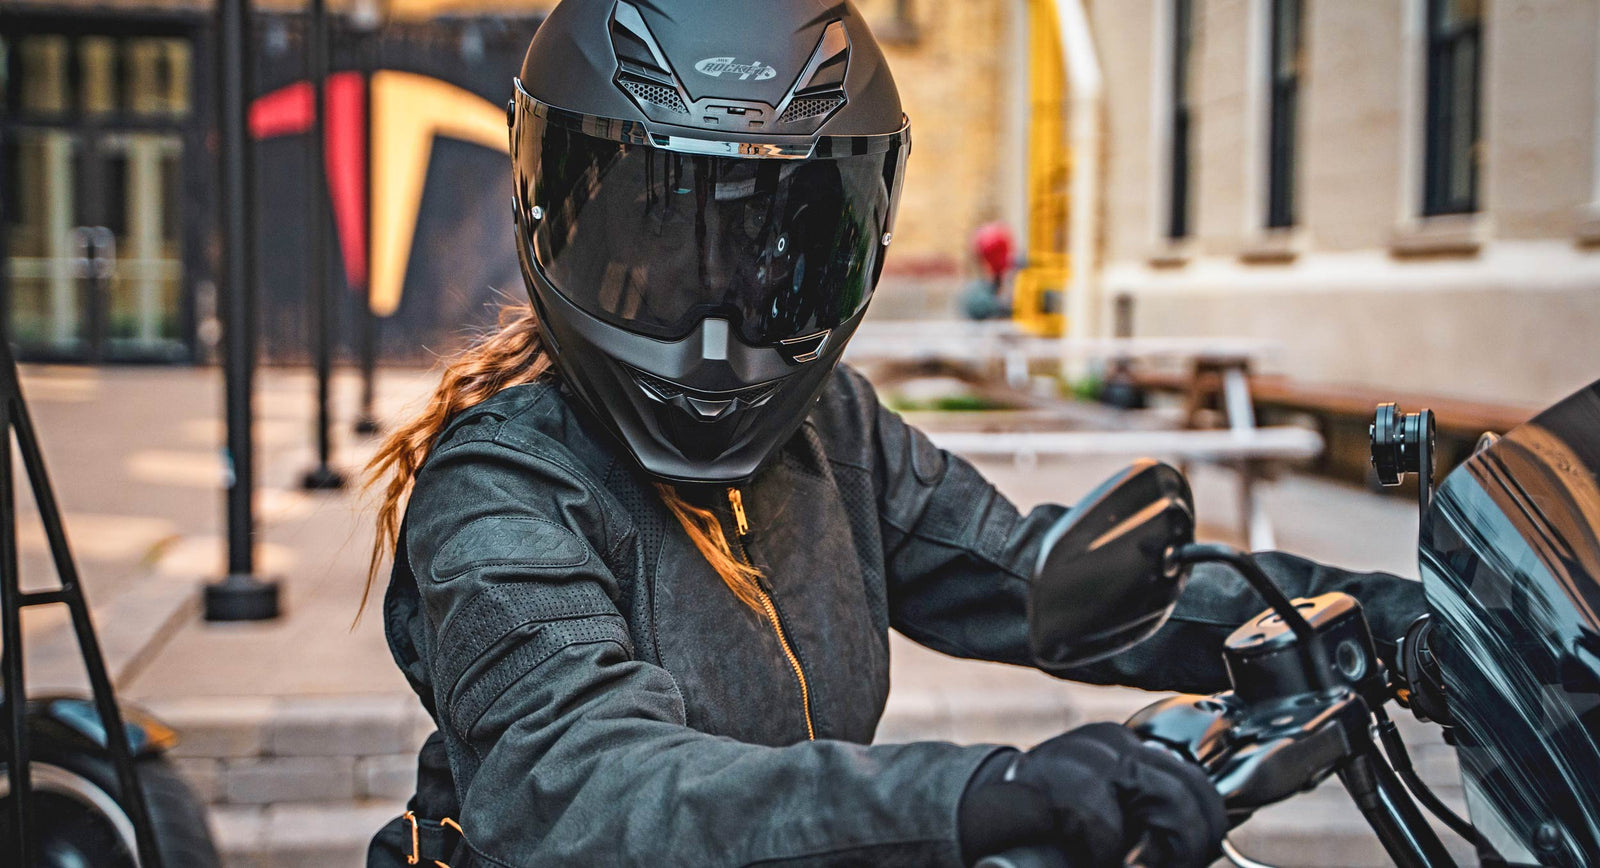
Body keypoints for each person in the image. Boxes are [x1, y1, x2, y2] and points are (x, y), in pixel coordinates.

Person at [363, 1, 1425, 865]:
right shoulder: (500, 487)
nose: (718, 326)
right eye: (670, 247)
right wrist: (976, 796)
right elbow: (583, 782)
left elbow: (1029, 572)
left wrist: (1391, 620)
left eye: (766, 249)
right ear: (555, 212)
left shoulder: (833, 432)